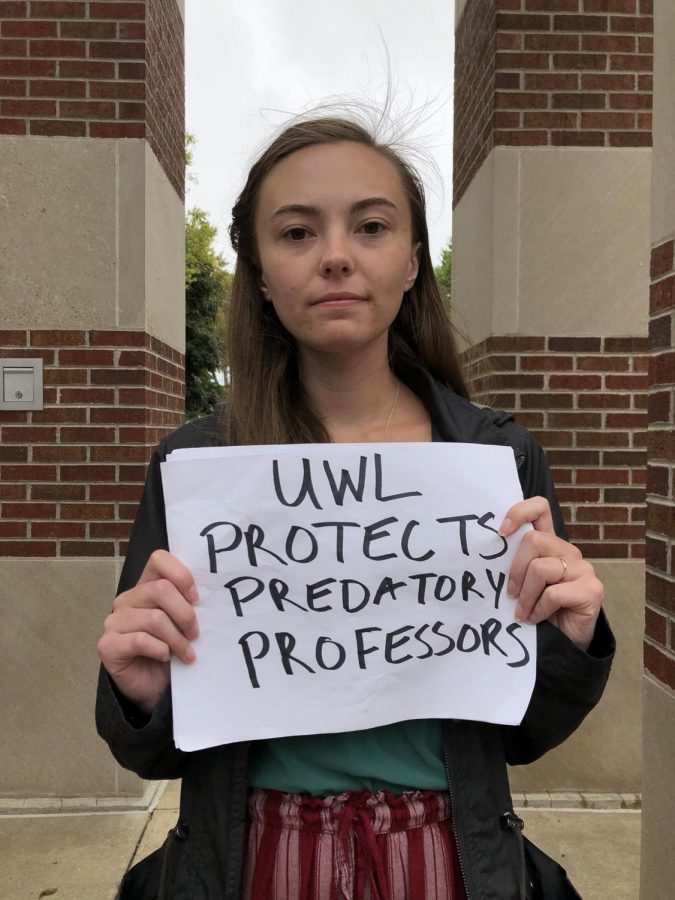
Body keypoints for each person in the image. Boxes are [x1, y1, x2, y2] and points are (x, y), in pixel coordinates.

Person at [96, 116, 613, 900]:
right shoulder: (194, 470)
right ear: (261, 273)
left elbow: (527, 734)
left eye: (370, 226)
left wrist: (570, 640)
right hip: (253, 860)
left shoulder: (497, 461)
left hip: (448, 857)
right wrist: (141, 691)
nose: (336, 255)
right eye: (297, 232)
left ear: (412, 262)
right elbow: (157, 749)